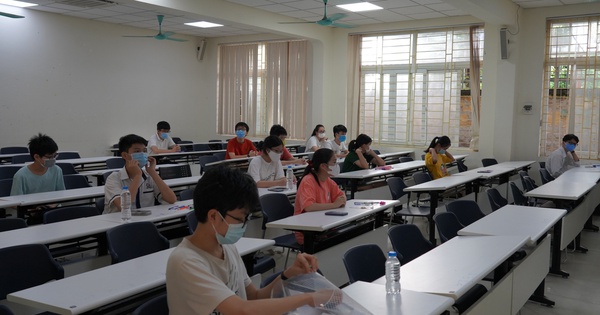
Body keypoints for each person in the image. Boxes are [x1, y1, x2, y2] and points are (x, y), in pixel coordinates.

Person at [166, 165, 334, 315]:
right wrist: (309, 298)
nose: (244, 225)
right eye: (240, 219)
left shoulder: (226, 247)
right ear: (214, 216)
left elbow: (253, 297)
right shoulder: (185, 262)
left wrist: (289, 274)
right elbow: (242, 310)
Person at [103, 134, 177, 214]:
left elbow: (171, 199)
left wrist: (153, 172)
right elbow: (123, 206)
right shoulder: (114, 178)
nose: (142, 154)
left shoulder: (149, 175)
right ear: (125, 155)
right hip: (118, 222)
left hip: (144, 220)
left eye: (144, 151)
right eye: (137, 151)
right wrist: (137, 176)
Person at [294, 148, 346, 244]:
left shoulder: (327, 179)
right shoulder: (308, 181)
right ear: (323, 166)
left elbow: (341, 195)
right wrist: (334, 205)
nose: (336, 165)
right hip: (307, 230)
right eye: (334, 162)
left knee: (348, 233)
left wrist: (341, 201)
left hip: (324, 224)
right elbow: (309, 206)